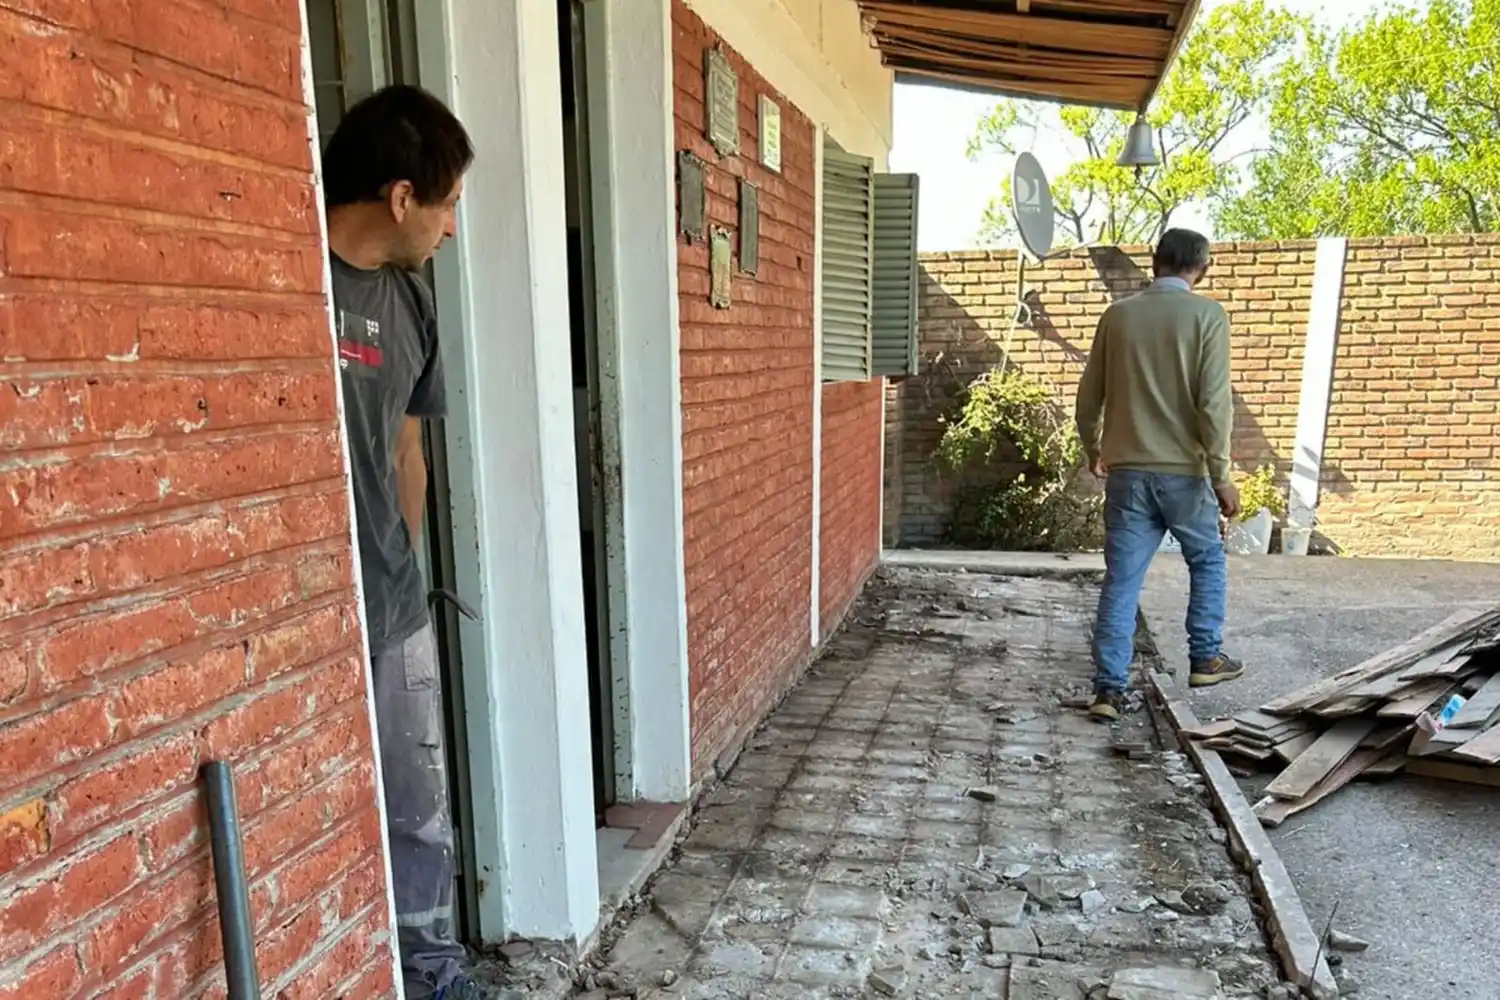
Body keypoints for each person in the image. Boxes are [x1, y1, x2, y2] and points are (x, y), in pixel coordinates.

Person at [322, 84, 483, 1000]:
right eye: (449, 202)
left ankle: (432, 976)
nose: (450, 227)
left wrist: (403, 573)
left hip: (391, 608)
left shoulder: (412, 302)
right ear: (400, 198)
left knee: (421, 813)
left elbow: (409, 447)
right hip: (306, 613)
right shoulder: (290, 271)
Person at [1075, 228, 1245, 722]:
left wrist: (1094, 448)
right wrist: (1221, 474)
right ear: (1202, 267)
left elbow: (1089, 399)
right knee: (1207, 562)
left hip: (1127, 474)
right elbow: (1214, 404)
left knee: (1121, 582)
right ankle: (1205, 657)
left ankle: (1108, 690)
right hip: (1185, 476)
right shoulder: (1208, 317)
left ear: (1155, 262)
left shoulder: (1118, 316)